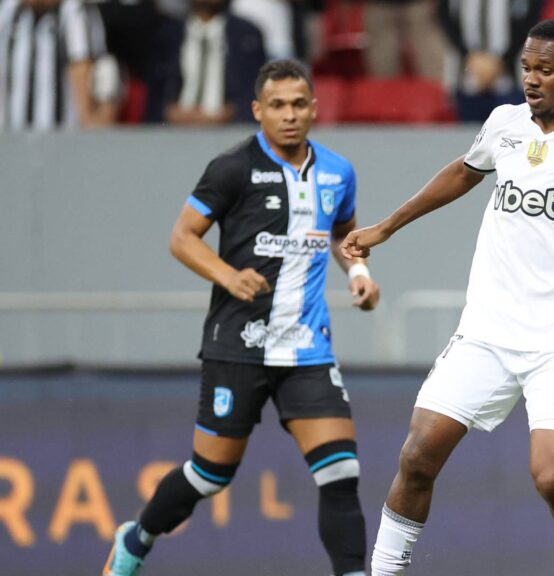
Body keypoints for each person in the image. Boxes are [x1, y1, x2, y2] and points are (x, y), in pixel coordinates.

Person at [342, 18, 554, 576]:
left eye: (545, 69)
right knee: (417, 456)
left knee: (550, 477)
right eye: (526, 67)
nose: (531, 80)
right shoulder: (505, 123)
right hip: (488, 328)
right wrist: (386, 227)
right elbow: (465, 173)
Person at [103, 59, 380, 576]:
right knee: (210, 474)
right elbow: (182, 237)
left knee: (341, 470)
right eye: (277, 105)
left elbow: (346, 235)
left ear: (315, 108)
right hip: (238, 344)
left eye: (299, 104)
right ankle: (137, 537)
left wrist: (358, 271)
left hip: (306, 346)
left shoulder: (338, 171)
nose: (290, 115)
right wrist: (229, 276)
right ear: (258, 111)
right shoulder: (232, 168)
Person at [144, 0, 267, 125]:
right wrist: (168, 113)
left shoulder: (246, 34)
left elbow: (254, 89)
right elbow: (154, 92)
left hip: (229, 129)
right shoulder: (169, 33)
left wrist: (231, 113)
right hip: (173, 130)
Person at [0, 0, 117, 131]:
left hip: (64, 142)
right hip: (9, 140)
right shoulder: (8, 12)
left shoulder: (75, 12)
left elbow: (82, 71)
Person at [436, 0, 544, 122]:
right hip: (467, 77)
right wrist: (469, 57)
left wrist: (502, 61)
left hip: (510, 77)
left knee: (511, 135)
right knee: (470, 137)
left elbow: (531, 17)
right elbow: (445, 16)